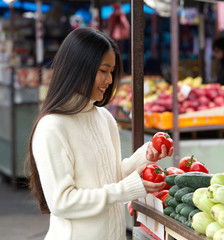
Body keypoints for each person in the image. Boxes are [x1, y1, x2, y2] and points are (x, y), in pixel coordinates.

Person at [24, 27, 173, 240]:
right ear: (78, 69)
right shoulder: (52, 127)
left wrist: (144, 156)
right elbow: (62, 202)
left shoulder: (104, 118)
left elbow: (110, 177)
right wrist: (125, 190)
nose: (110, 80)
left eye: (112, 71)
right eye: (103, 71)